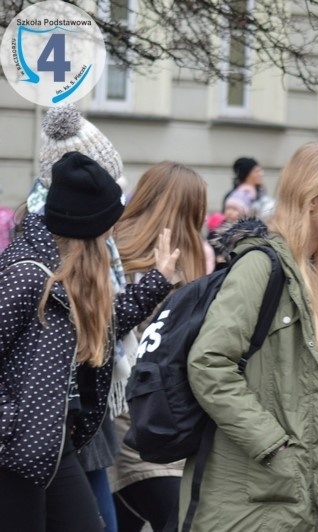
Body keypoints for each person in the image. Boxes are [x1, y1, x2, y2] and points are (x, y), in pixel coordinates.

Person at [179, 142, 318, 531]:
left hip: (300, 499)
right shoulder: (259, 268)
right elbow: (208, 364)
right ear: (312, 199)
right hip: (249, 501)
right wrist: (275, 446)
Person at [0, 151, 178, 532]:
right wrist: (10, 428)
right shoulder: (26, 276)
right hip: (13, 456)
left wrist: (158, 280)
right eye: (108, 226)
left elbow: (104, 329)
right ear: (87, 231)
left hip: (55, 449)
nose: (113, 234)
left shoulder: (68, 278)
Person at [109, 161, 208, 532]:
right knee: (176, 517)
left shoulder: (121, 246)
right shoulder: (135, 259)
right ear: (187, 209)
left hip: (153, 419)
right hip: (137, 421)